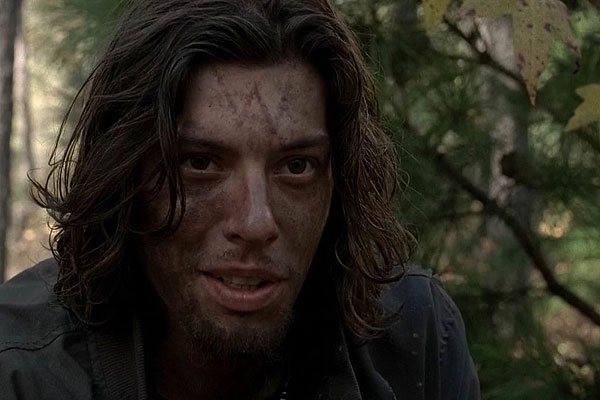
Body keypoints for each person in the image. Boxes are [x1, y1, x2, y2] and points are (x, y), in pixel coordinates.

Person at [0, 0, 480, 399]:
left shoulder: (412, 340)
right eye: (200, 163)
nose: (255, 223)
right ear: (127, 176)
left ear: (339, 181)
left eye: (296, 166)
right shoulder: (20, 370)